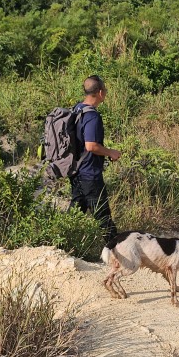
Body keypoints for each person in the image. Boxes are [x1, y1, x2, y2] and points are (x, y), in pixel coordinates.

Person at [70, 75, 122, 244]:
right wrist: (111, 152)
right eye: (105, 90)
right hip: (89, 173)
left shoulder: (76, 109)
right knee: (103, 216)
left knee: (75, 214)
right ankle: (117, 252)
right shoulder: (92, 116)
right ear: (100, 92)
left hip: (76, 171)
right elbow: (91, 145)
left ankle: (61, 246)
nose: (105, 93)